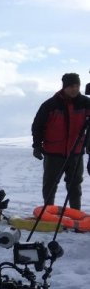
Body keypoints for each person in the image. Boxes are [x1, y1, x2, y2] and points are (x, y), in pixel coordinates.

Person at [31, 73, 90, 210]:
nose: (74, 89)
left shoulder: (85, 103)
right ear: (64, 87)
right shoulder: (50, 105)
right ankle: (48, 212)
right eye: (71, 86)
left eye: (77, 86)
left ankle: (76, 214)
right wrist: (37, 146)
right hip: (53, 153)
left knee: (75, 185)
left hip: (75, 153)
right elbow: (37, 126)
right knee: (50, 185)